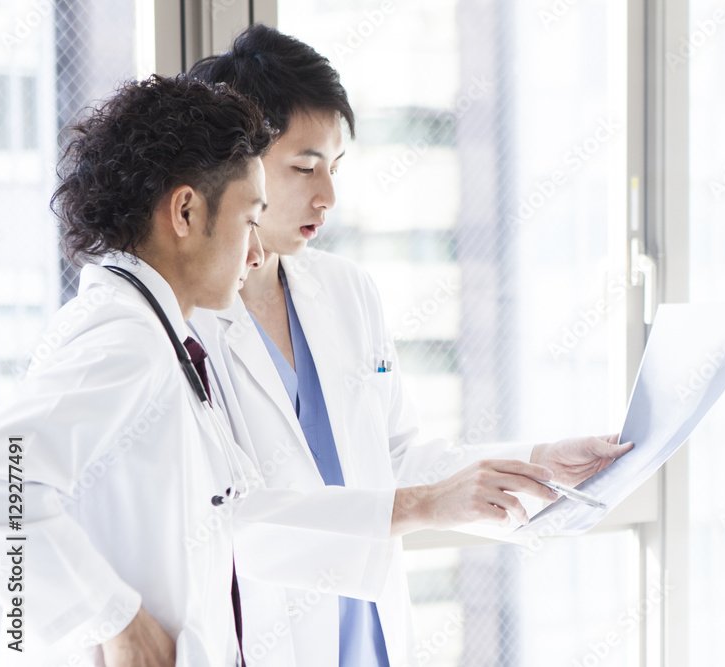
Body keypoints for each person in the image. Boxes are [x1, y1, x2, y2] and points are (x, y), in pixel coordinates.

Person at [189, 25, 633, 667]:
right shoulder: (189, 321)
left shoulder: (345, 290)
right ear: (237, 163)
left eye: (336, 169)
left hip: (370, 637)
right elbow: (232, 526)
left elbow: (397, 457)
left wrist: (536, 462)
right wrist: (427, 505)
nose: (329, 197)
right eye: (305, 167)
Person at [0, 74, 272, 665]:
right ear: (187, 210)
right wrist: (114, 619)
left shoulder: (156, 331)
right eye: (251, 220)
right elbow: (2, 479)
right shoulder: (126, 337)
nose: (258, 253)